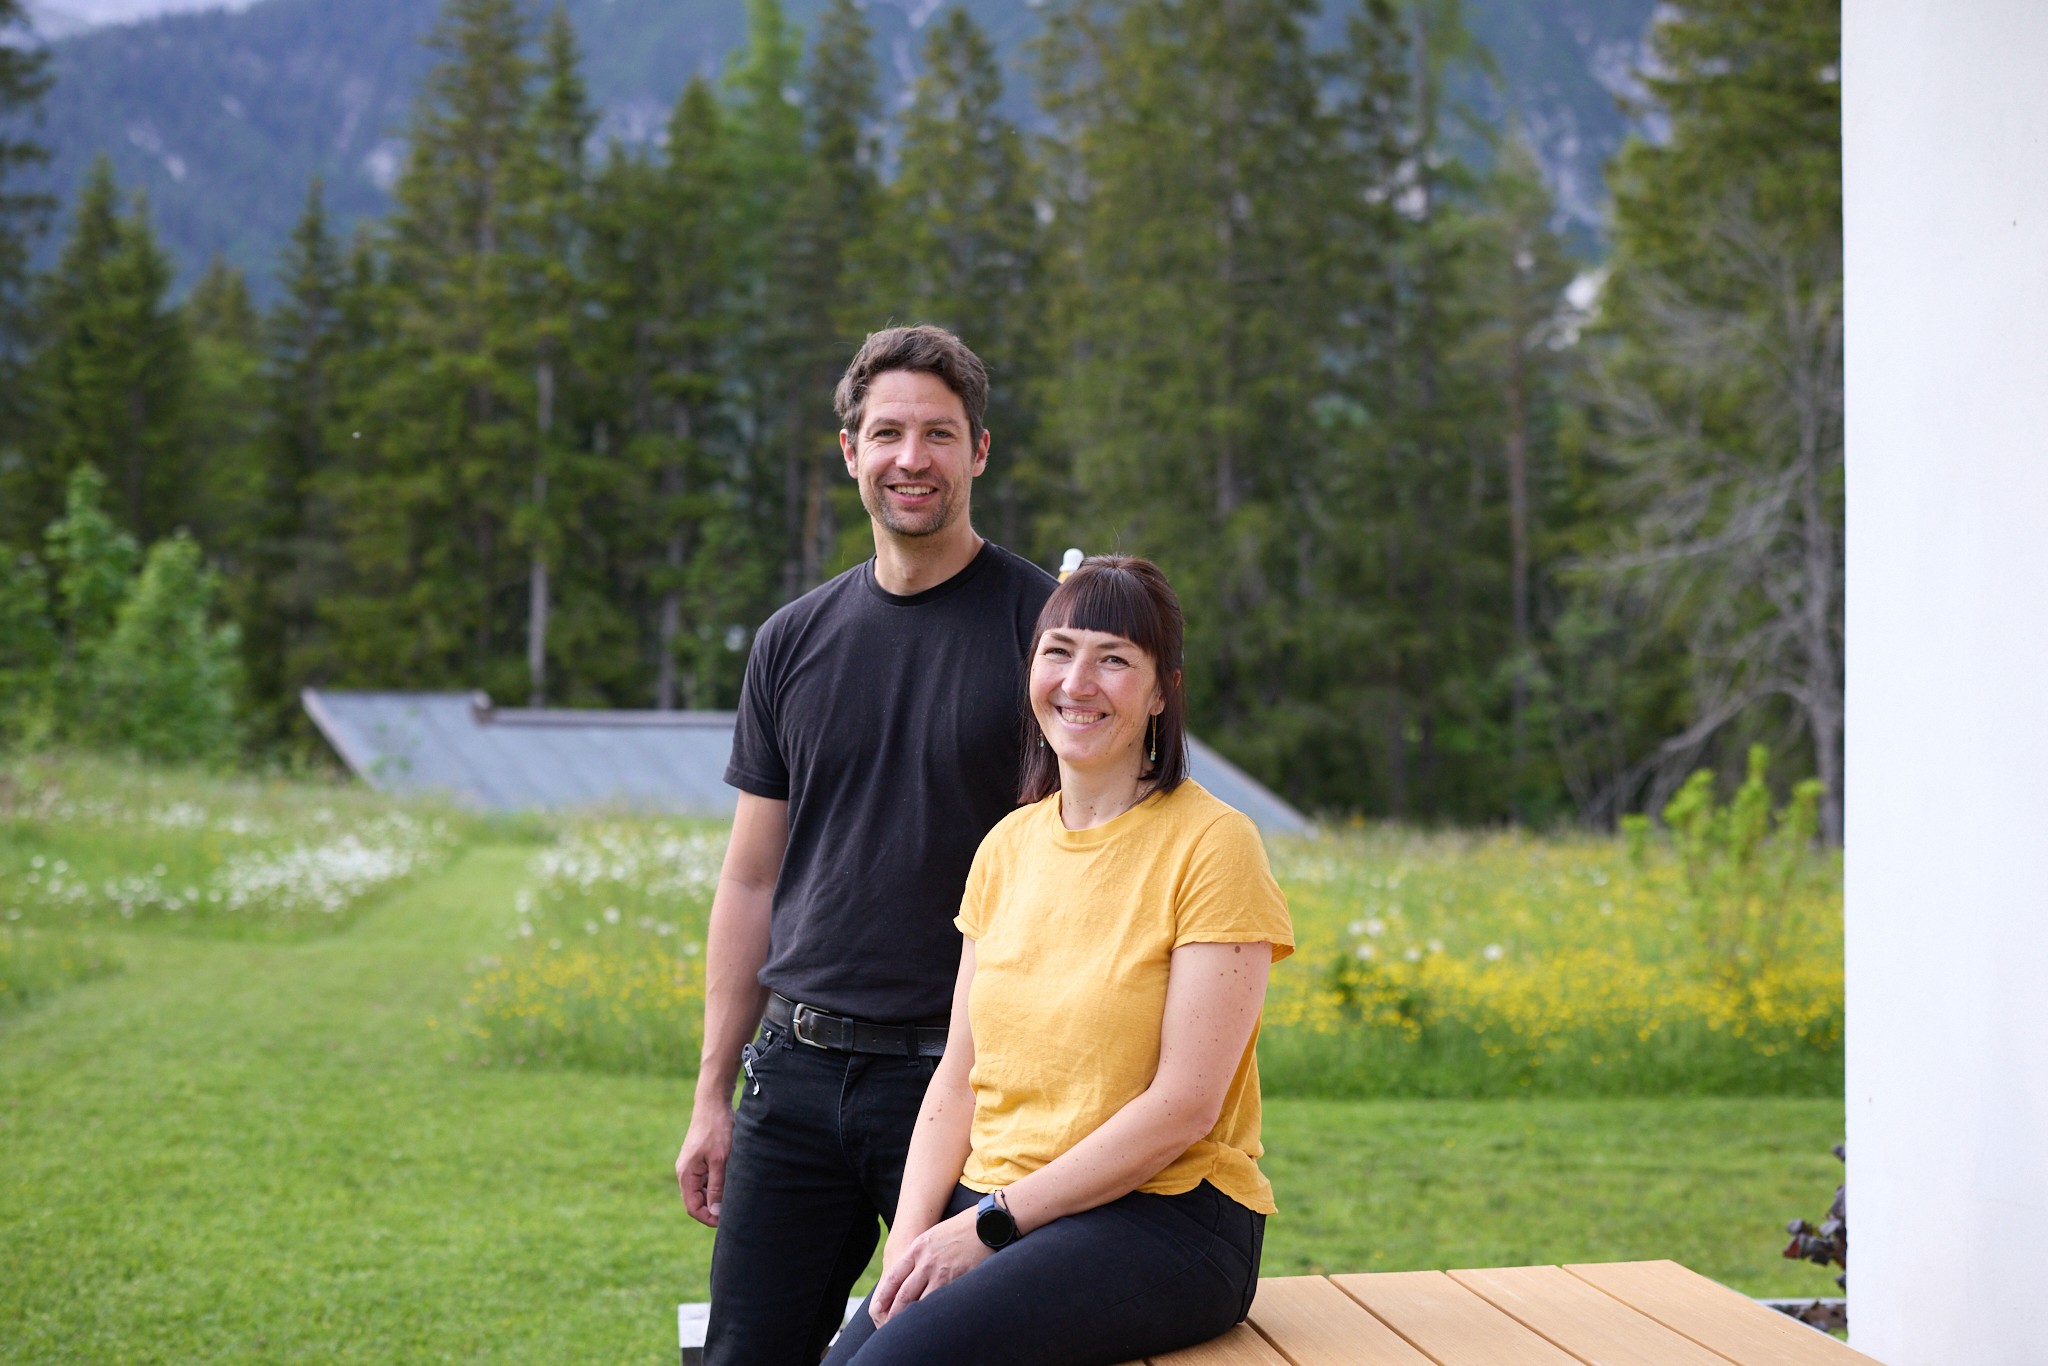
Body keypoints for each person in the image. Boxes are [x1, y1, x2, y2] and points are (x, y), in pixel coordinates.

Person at [672, 325, 1056, 1366]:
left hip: (969, 1083)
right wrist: (712, 1095)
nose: (910, 458)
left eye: (939, 434)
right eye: (887, 433)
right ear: (849, 451)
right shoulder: (791, 640)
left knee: (943, 1355)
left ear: (980, 450)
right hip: (792, 1076)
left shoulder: (1047, 637)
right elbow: (751, 878)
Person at [823, 556, 1294, 1366]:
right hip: (999, 1207)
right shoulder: (1007, 847)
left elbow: (1184, 1105)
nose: (1079, 682)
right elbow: (959, 1076)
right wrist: (909, 1241)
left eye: (1114, 659)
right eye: (1059, 651)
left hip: (1165, 1214)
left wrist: (989, 1224)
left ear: (1162, 692)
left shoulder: (1214, 845)